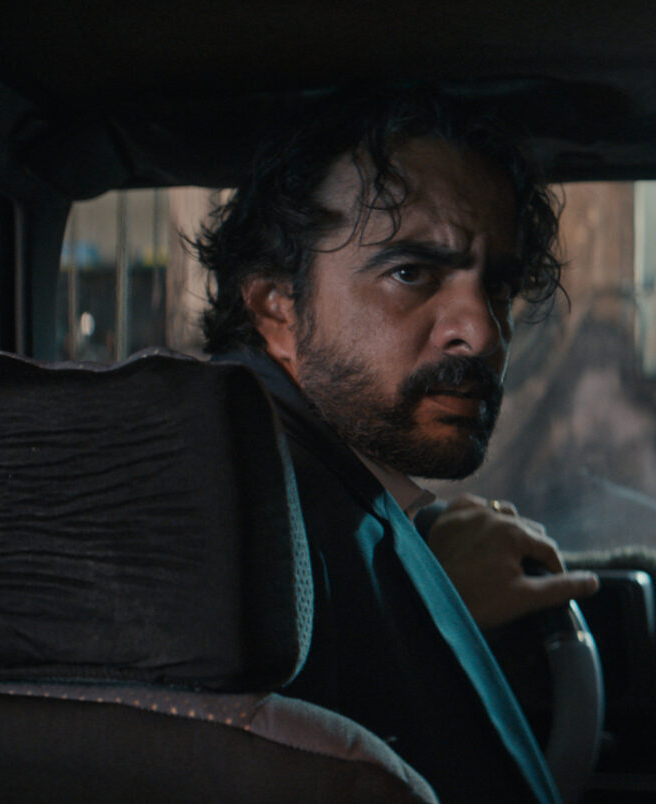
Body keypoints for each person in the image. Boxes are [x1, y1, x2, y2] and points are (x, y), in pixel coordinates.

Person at [196, 89, 597, 803]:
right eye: (410, 273)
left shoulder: (326, 494)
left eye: (498, 286)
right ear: (277, 310)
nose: (482, 332)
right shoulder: (240, 506)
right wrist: (427, 599)